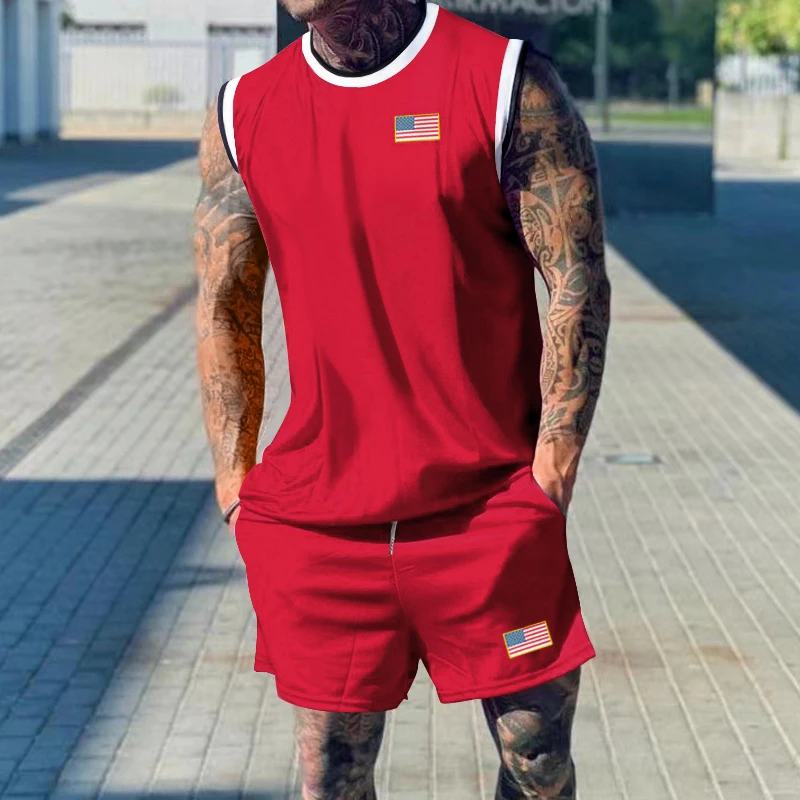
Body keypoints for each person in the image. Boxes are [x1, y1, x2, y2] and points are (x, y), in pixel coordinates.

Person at [193, 0, 610, 795]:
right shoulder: (242, 112)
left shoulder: (506, 84)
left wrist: (552, 467)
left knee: (538, 763)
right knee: (330, 775)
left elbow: (575, 278)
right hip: (322, 526)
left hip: (488, 515)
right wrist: (233, 480)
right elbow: (223, 301)